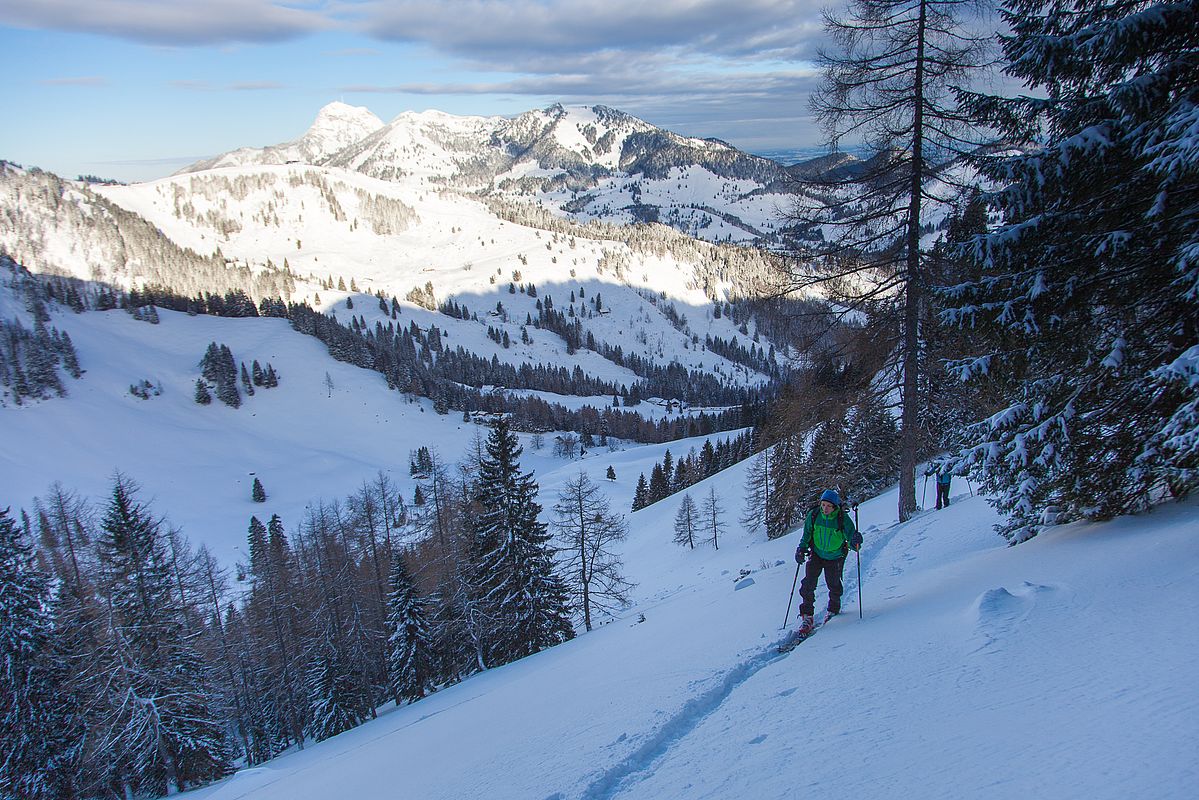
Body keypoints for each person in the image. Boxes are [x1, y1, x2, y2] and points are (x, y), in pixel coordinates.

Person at [794, 489, 862, 635]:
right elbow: (807, 534)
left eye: (828, 506)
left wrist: (856, 541)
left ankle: (833, 609)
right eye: (823, 504)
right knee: (808, 584)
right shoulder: (814, 515)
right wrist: (801, 549)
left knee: (834, 584)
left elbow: (852, 541)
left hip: (835, 556)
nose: (825, 508)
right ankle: (807, 616)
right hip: (817, 553)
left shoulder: (842, 519)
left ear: (835, 506)